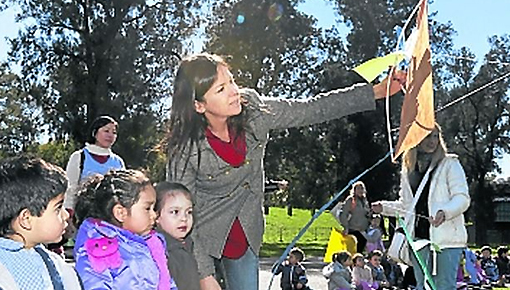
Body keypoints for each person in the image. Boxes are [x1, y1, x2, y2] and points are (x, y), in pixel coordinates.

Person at [165, 53, 406, 290]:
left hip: (244, 236)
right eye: (220, 89)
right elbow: (178, 214)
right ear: (199, 105)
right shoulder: (185, 148)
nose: (233, 91)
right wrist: (205, 274)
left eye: (231, 81)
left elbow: (313, 108)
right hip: (198, 238)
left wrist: (375, 91)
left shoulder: (254, 110)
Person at [372, 123, 471, 290]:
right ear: (416, 137)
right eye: (427, 136)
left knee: (444, 286)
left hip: (446, 239)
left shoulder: (450, 164)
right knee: (422, 286)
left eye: (435, 136)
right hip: (418, 239)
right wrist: (384, 207)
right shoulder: (408, 170)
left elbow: (462, 198)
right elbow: (406, 206)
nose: (432, 141)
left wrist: (444, 212)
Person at [73, 170, 177, 289]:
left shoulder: (152, 244)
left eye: (154, 208)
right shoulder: (99, 249)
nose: (154, 215)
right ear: (120, 213)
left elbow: (167, 282)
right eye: (148, 208)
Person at [0, 156, 82, 289]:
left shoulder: (55, 264)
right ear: (26, 219)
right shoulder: (6, 270)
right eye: (58, 208)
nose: (66, 215)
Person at [63, 115, 125, 210]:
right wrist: (69, 212)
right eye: (106, 131)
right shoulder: (79, 157)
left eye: (114, 132)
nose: (110, 135)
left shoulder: (118, 162)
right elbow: (70, 189)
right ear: (94, 133)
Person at [155, 181, 201, 290]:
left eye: (189, 212)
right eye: (175, 212)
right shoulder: (162, 252)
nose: (184, 218)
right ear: (156, 216)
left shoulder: (187, 243)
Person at [339, 181, 372, 254]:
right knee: (352, 252)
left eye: (362, 188)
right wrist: (345, 227)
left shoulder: (365, 200)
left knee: (360, 251)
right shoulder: (351, 200)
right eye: (358, 188)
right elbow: (343, 213)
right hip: (353, 229)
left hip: (363, 230)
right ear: (354, 190)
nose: (360, 190)